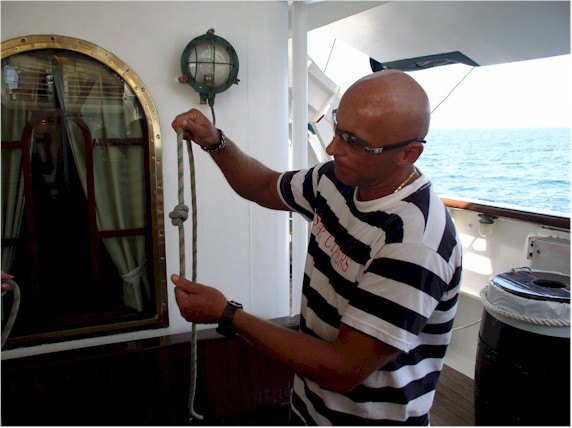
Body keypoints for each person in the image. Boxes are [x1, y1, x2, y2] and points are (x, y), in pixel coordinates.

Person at [171, 69, 462, 425]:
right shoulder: (336, 179)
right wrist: (214, 140)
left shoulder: (415, 242)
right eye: (338, 129)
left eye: (354, 142)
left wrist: (227, 315)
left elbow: (342, 369)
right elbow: (263, 185)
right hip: (309, 409)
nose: (332, 147)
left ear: (409, 154)